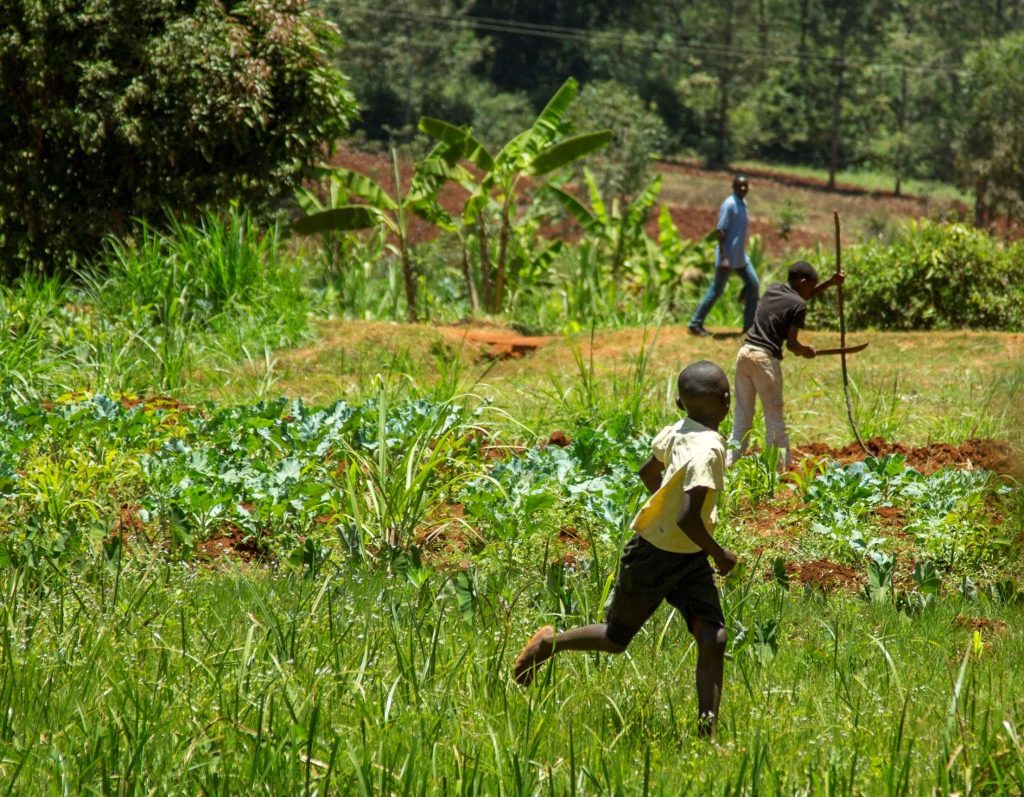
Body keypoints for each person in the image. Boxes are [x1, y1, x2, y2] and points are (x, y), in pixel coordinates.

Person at [512, 361, 738, 739]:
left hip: (686, 557)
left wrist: (664, 505)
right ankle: (550, 644)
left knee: (713, 638)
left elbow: (648, 472)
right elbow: (688, 518)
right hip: (654, 557)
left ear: (680, 404)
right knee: (615, 639)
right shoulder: (710, 450)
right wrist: (720, 554)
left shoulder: (677, 430)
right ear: (727, 401)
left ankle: (707, 734)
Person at [726, 260, 844, 470]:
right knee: (774, 419)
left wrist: (829, 283)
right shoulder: (799, 305)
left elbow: (800, 297)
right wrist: (805, 350)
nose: (810, 292)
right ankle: (780, 471)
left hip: (745, 353)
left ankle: (728, 465)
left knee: (742, 417)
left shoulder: (773, 289)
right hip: (764, 360)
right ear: (803, 282)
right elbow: (791, 345)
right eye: (810, 286)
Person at [688, 175, 760, 337]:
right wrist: (724, 257)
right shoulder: (729, 204)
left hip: (740, 257)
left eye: (745, 186)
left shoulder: (743, 203)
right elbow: (721, 231)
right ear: (733, 187)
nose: (743, 189)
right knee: (716, 290)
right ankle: (695, 324)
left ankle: (749, 326)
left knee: (753, 284)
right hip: (727, 257)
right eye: (740, 186)